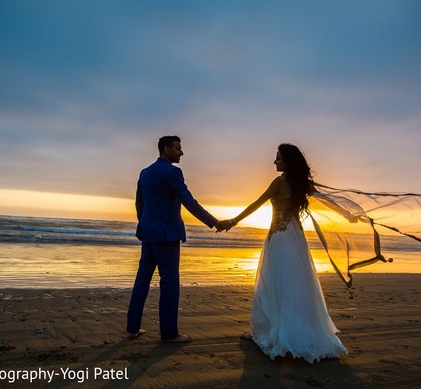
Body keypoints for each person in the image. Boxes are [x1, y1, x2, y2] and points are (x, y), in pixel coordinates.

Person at [222, 143, 348, 362]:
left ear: (288, 161)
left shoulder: (279, 182)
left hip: (280, 238)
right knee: (296, 284)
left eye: (278, 157)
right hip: (296, 238)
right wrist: (348, 213)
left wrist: (233, 221)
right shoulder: (302, 184)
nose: (275, 161)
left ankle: (275, 333)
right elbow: (329, 200)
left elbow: (256, 204)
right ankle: (294, 331)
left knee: (275, 284)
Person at [127, 135, 229, 343]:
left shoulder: (145, 173)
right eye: (178, 148)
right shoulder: (172, 172)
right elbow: (189, 201)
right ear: (166, 150)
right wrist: (215, 222)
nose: (181, 152)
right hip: (166, 235)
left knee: (142, 280)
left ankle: (132, 328)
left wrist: (147, 224)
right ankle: (169, 334)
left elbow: (140, 203)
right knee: (170, 283)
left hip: (149, 234)